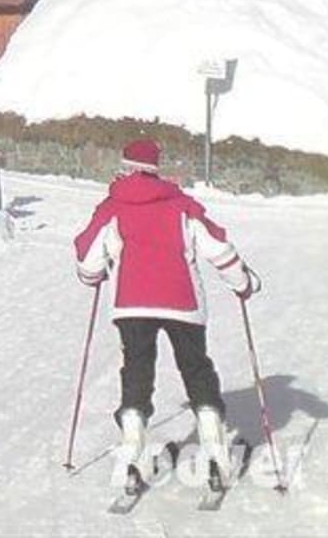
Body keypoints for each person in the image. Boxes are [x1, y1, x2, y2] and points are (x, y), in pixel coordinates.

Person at [74, 137, 259, 490]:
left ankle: (132, 455)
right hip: (182, 302)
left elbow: (88, 261)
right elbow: (218, 248)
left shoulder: (112, 207)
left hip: (131, 304)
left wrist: (92, 277)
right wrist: (243, 283)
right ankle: (215, 453)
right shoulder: (181, 205)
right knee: (195, 367)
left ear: (125, 166)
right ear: (156, 168)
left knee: (136, 370)